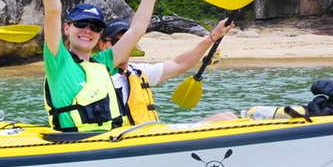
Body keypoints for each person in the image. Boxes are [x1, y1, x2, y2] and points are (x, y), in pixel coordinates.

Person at [35, 0, 163, 133]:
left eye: (95, 27)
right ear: (67, 28)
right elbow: (53, 10)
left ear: (100, 34)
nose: (88, 30)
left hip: (113, 142)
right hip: (77, 147)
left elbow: (138, 29)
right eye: (81, 23)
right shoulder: (58, 60)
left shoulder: (105, 62)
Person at [98, 17, 238, 125]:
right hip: (130, 143)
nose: (124, 47)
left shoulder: (138, 71)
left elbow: (179, 64)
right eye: (117, 42)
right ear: (103, 45)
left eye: (128, 42)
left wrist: (213, 37)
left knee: (228, 117)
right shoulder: (96, 76)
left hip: (154, 136)